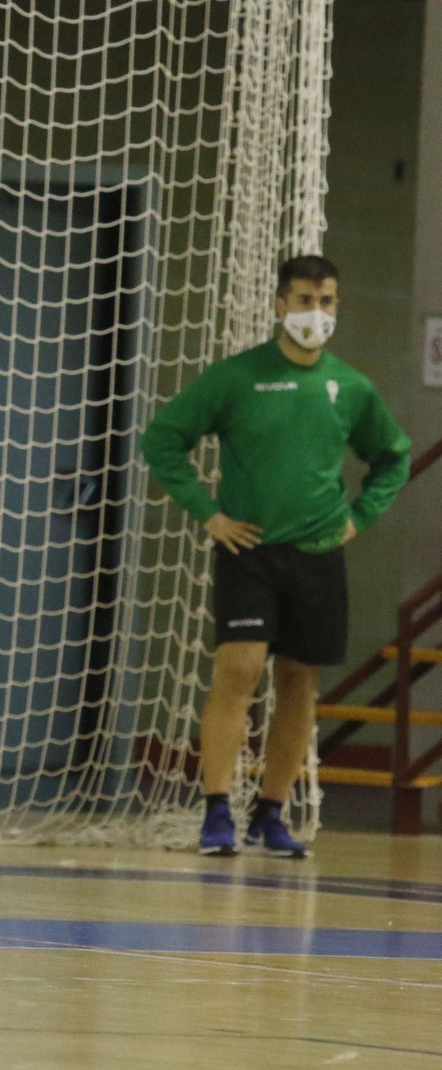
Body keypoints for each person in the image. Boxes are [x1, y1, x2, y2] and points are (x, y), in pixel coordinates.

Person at [142, 255, 410, 859]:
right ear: (280, 304)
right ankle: (216, 811)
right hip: (250, 551)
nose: (316, 311)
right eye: (304, 299)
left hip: (317, 555)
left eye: (327, 300)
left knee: (300, 682)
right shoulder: (236, 378)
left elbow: (393, 457)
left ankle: (271, 811)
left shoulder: (351, 386)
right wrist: (208, 513)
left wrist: (359, 518)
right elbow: (162, 440)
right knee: (239, 670)